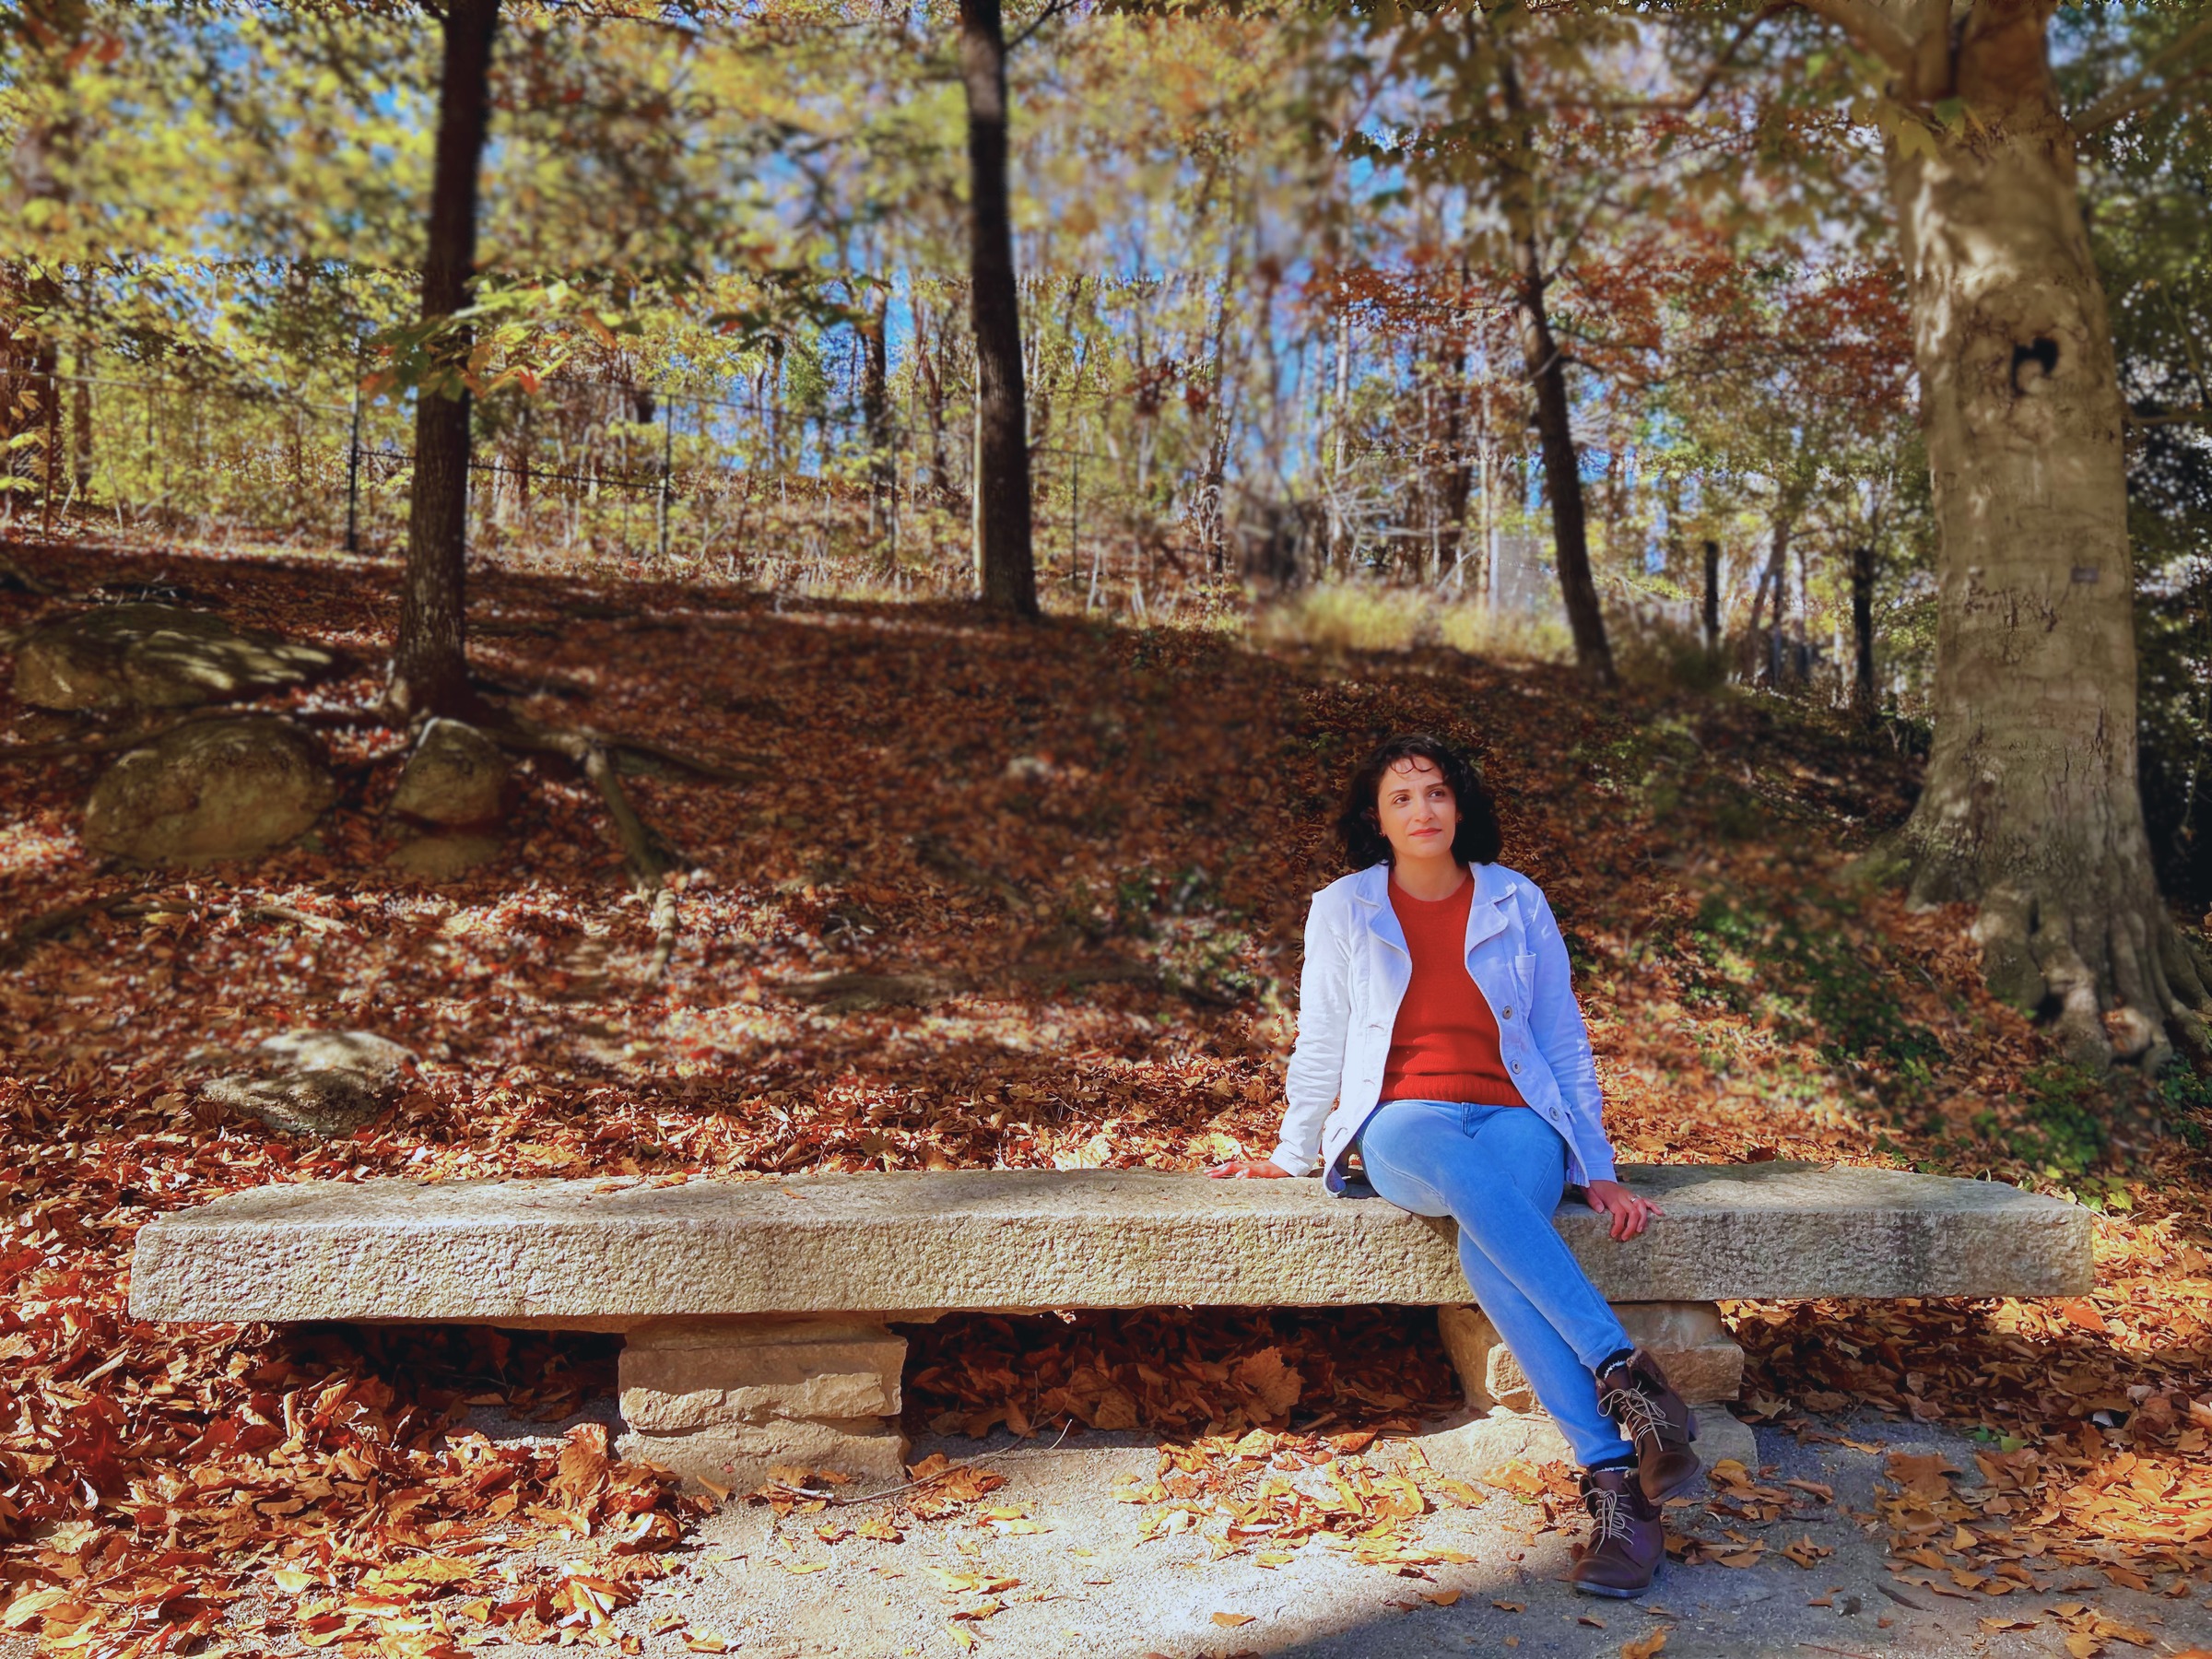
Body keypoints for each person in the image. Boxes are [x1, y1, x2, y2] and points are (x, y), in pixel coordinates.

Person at [1210, 733, 1699, 1597]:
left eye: (1435, 793)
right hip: (1403, 1120)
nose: (1421, 810)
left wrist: (1596, 1162)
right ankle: (1625, 1376)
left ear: (1460, 806)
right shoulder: (1343, 907)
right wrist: (1292, 1152)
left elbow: (1561, 1040)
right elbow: (1320, 1038)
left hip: (1518, 1116)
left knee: (1488, 1242)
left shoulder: (1517, 899)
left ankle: (1618, 1485)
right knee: (1456, 1174)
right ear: (1379, 820)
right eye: (1402, 799)